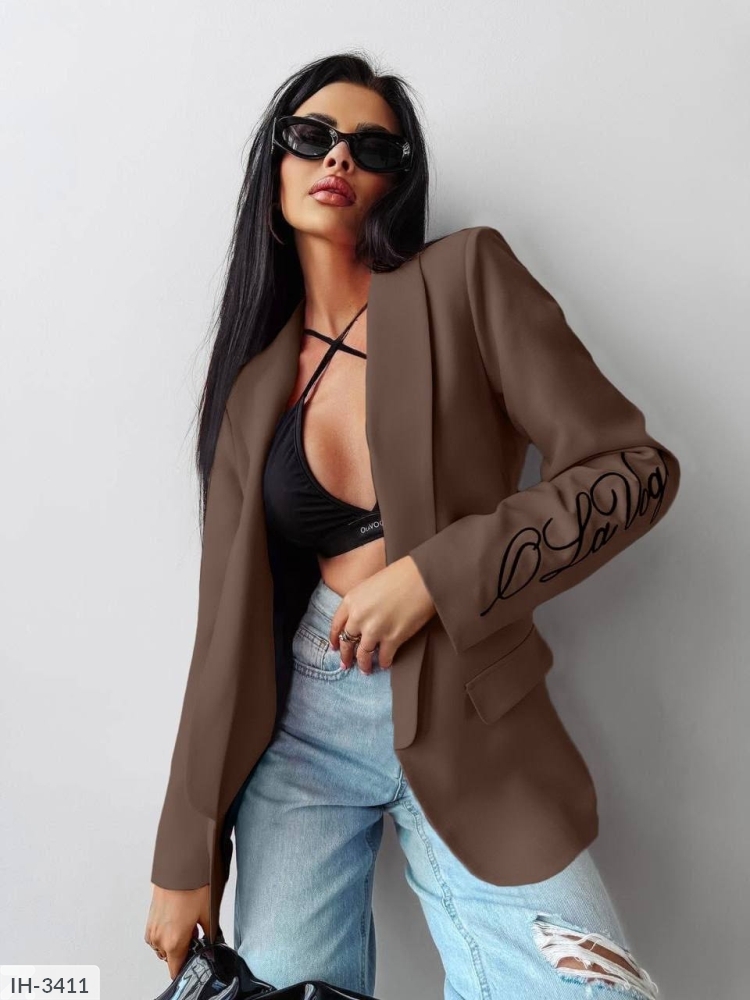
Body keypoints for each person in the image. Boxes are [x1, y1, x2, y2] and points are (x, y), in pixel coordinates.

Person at [145, 51, 675, 1000]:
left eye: (372, 146)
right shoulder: (252, 389)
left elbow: (631, 471)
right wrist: (185, 854)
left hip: (473, 710)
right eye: (311, 135)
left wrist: (434, 575)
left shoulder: (465, 279)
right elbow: (226, 633)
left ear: (397, 181)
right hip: (304, 733)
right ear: (275, 166)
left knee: (597, 990)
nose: (338, 157)